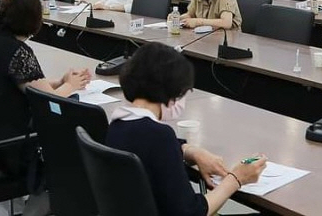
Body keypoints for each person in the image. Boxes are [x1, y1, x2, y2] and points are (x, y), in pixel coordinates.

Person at [106, 43, 267, 216]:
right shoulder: (160, 136)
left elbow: (149, 145)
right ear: (171, 91)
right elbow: (191, 212)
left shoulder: (117, 124)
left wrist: (191, 151)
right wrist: (236, 178)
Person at [0, 0, 92, 176]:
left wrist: (61, 81)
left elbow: (28, 85)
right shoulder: (17, 51)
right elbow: (47, 101)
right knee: (68, 116)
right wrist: (71, 85)